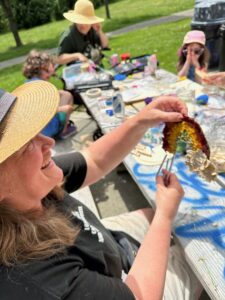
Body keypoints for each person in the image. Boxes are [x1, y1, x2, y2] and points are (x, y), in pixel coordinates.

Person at [0, 81, 202, 300]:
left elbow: (93, 160)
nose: (48, 141)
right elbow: (140, 295)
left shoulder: (30, 185)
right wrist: (164, 215)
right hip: (127, 286)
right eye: (25, 145)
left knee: (156, 216)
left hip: (109, 244)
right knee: (196, 252)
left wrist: (141, 120)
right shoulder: (36, 278)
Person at [23, 50, 77, 139]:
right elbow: (42, 110)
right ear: (43, 67)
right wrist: (64, 109)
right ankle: (62, 131)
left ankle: (61, 128)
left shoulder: (30, 82)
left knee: (65, 94)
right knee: (67, 107)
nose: (53, 70)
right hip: (45, 130)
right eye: (50, 67)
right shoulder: (42, 87)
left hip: (35, 127)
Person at [57, 0, 109, 66]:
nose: (84, 26)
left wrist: (100, 31)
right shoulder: (68, 36)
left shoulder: (93, 29)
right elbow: (59, 59)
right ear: (75, 20)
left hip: (97, 68)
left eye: (86, 22)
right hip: (79, 73)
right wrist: (77, 55)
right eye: (80, 21)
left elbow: (105, 45)